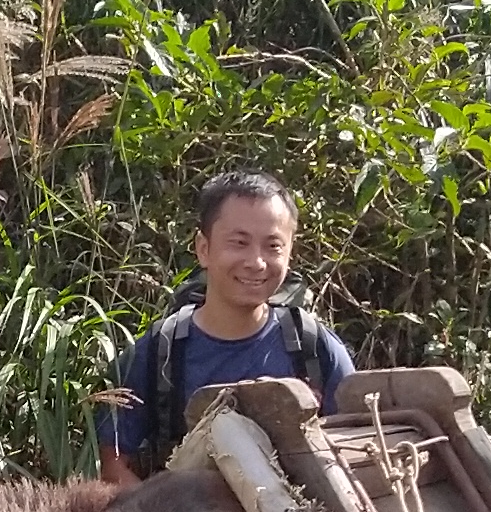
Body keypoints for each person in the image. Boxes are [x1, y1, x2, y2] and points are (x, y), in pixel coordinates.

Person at [95, 170, 356, 482]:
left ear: (290, 253)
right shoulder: (158, 352)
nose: (256, 262)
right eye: (239, 243)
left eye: (273, 246)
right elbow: (113, 466)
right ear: (203, 249)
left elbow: (359, 446)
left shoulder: (313, 346)